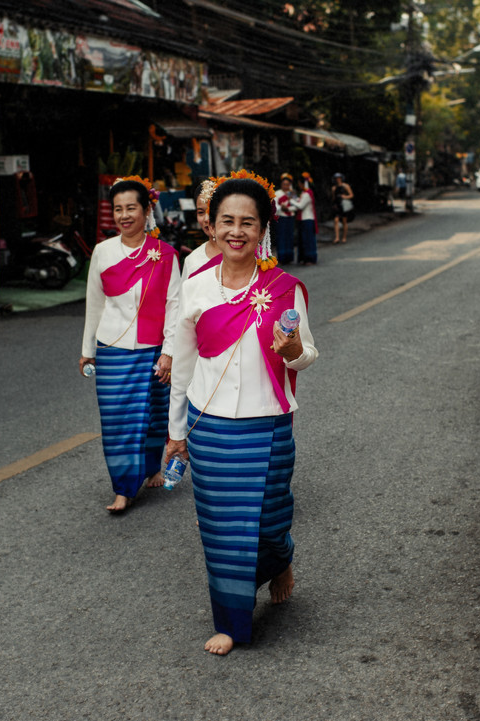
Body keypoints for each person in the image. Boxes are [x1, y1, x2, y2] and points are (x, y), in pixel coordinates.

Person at [166, 170, 318, 656]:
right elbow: (183, 366)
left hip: (267, 422)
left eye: (247, 223)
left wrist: (293, 347)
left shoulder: (284, 288)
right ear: (210, 226)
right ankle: (231, 620)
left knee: (269, 523)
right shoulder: (194, 288)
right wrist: (177, 434)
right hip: (210, 429)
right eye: (226, 221)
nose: (236, 231)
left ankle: (280, 559)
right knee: (221, 528)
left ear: (262, 229)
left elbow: (304, 357)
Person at [80, 175, 181, 513]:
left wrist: (169, 351)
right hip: (112, 350)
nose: (124, 216)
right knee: (116, 420)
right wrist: (87, 350)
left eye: (131, 208)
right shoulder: (103, 252)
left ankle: (152, 469)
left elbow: (174, 305)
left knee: (154, 415)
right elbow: (94, 303)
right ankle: (123, 488)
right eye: (118, 209)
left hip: (153, 349)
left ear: (146, 210)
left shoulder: (165, 255)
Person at [181, 177, 221, 280]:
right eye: (201, 212)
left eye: (212, 211)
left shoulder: (248, 255)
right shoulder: (192, 260)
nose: (206, 219)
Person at [291, 172, 317, 266]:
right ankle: (304, 258)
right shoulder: (304, 193)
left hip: (307, 219)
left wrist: (291, 200)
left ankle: (309, 258)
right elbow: (297, 205)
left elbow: (300, 206)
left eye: (299, 183)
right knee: (303, 240)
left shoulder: (307, 194)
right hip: (303, 220)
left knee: (308, 240)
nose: (298, 185)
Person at [274, 173, 297, 264]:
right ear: (281, 185)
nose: (286, 186)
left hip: (290, 216)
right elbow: (274, 206)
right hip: (281, 217)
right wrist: (281, 208)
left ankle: (289, 256)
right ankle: (282, 257)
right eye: (284, 184)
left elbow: (296, 205)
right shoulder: (277, 193)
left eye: (287, 184)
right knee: (282, 237)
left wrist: (288, 209)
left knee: (289, 236)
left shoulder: (292, 193)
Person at [330, 172, 353, 244]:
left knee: (344, 221)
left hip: (343, 205)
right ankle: (337, 237)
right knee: (336, 220)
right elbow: (333, 197)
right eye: (336, 178)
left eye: (339, 178)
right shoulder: (334, 188)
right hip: (337, 205)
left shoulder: (346, 186)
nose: (338, 180)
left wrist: (345, 197)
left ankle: (344, 237)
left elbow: (351, 195)